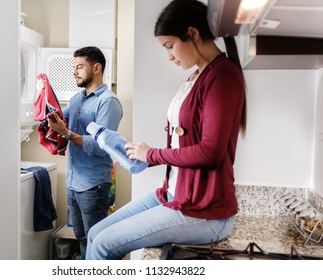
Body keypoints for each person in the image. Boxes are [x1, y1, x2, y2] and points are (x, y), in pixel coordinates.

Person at [85, 0, 247, 260]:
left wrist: (152, 155)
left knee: (104, 244)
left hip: (205, 211)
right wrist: (140, 156)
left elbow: (211, 152)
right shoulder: (197, 77)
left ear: (193, 34)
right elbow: (183, 145)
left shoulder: (223, 76)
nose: (169, 55)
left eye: (170, 46)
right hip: (174, 194)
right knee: (95, 233)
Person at [47, 46, 123, 260]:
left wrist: (67, 133)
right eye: (74, 67)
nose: (74, 71)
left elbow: (101, 146)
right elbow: (60, 119)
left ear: (96, 68)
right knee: (81, 237)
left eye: (80, 66)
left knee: (96, 241)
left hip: (94, 186)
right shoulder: (77, 99)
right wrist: (45, 101)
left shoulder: (108, 102)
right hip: (73, 183)